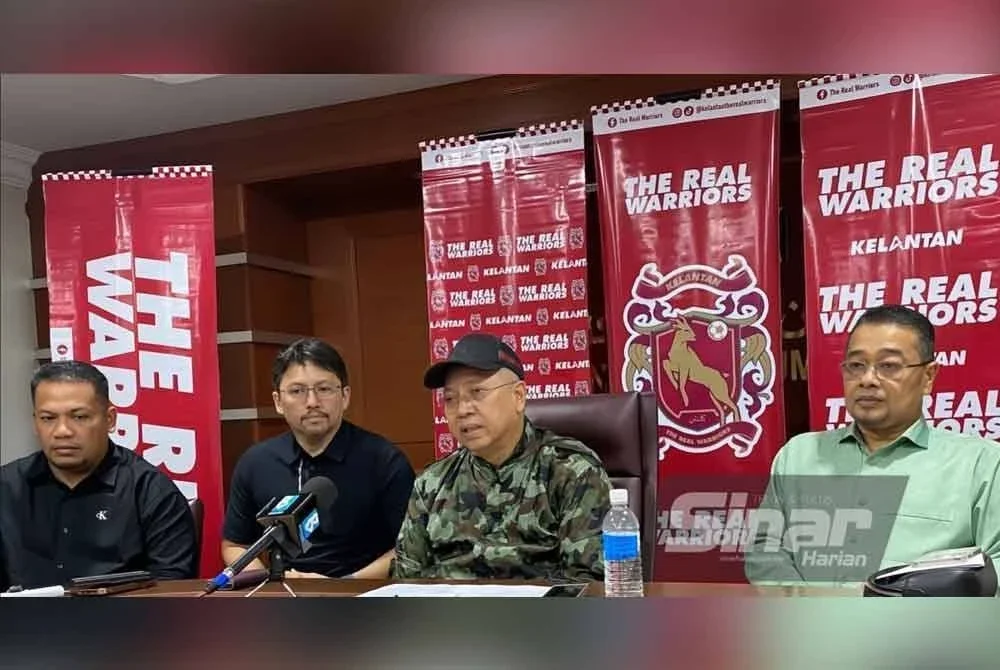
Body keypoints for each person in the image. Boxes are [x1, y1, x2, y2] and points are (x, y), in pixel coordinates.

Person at [745, 305, 1000, 586]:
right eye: (856, 365)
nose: (867, 379)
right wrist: (808, 603)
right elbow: (764, 548)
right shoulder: (798, 456)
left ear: (928, 377)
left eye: (888, 366)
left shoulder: (980, 465)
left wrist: (917, 599)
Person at [391, 333, 612, 581]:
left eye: (477, 392)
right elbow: (406, 580)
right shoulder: (432, 483)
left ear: (518, 397)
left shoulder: (571, 472)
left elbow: (589, 584)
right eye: (450, 399)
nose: (462, 410)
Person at [222, 338, 414, 579]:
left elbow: (410, 549)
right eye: (297, 391)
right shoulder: (256, 463)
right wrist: (269, 586)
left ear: (345, 396)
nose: (312, 402)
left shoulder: (384, 461)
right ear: (278, 402)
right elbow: (235, 545)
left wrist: (343, 585)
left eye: (324, 389)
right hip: (284, 593)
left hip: (361, 594)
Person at [0, 361, 198, 591]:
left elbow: (172, 593)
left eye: (79, 417)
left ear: (110, 419)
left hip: (122, 615)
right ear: (35, 422)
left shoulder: (151, 492)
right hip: (21, 615)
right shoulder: (7, 487)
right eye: (48, 418)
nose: (62, 431)